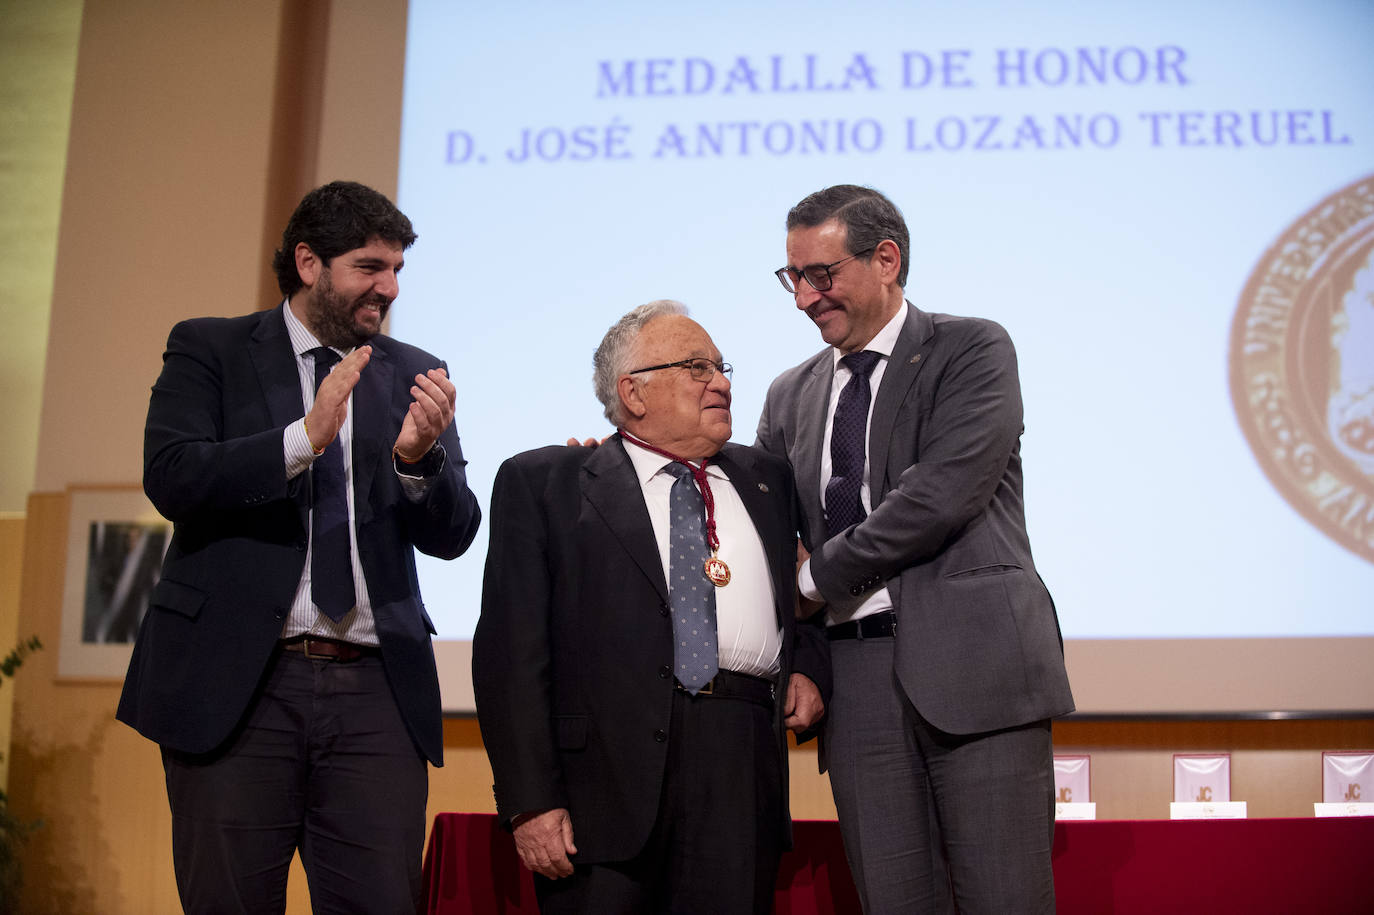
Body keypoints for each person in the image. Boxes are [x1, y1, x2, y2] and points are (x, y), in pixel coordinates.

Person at [116, 180, 482, 913]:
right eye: (370, 267)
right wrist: (300, 440)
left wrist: (417, 462)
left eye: (398, 269)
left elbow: (455, 533)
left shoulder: (412, 368)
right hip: (241, 688)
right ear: (309, 262)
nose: (389, 287)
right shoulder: (211, 349)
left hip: (377, 692)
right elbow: (173, 474)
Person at [756, 185, 1075, 914]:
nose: (804, 298)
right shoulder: (787, 395)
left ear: (887, 259)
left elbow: (939, 498)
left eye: (820, 275)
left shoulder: (971, 348)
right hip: (856, 678)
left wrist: (814, 581)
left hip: (979, 667)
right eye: (792, 277)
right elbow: (764, 523)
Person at [474, 301, 830, 915]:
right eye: (696, 367)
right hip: (603, 784)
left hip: (741, 762)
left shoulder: (768, 480)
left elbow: (809, 596)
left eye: (721, 367)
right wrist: (531, 800)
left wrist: (809, 669)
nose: (720, 382)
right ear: (632, 392)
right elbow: (511, 654)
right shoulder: (548, 483)